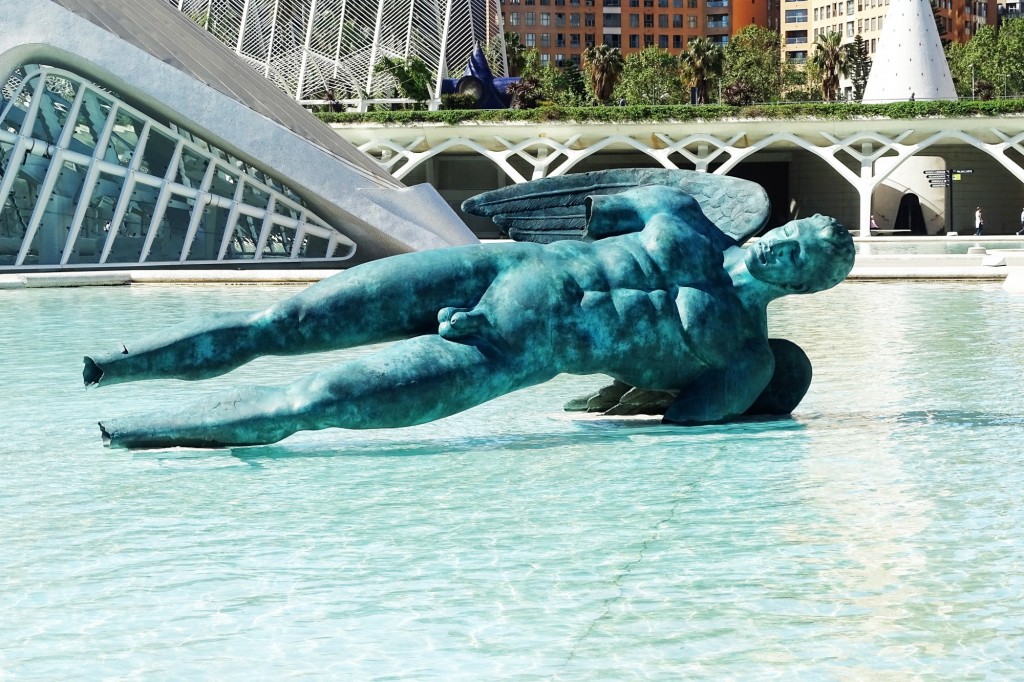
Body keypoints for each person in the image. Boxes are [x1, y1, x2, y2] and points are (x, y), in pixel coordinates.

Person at [84, 186, 856, 449]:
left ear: (808, 286)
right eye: (792, 232)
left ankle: (138, 432)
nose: (783, 246)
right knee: (280, 321)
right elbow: (581, 211)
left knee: (318, 401)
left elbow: (686, 421)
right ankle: (117, 366)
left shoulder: (743, 355)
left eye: (801, 258)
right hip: (492, 270)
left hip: (509, 353)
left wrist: (766, 391)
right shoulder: (681, 213)